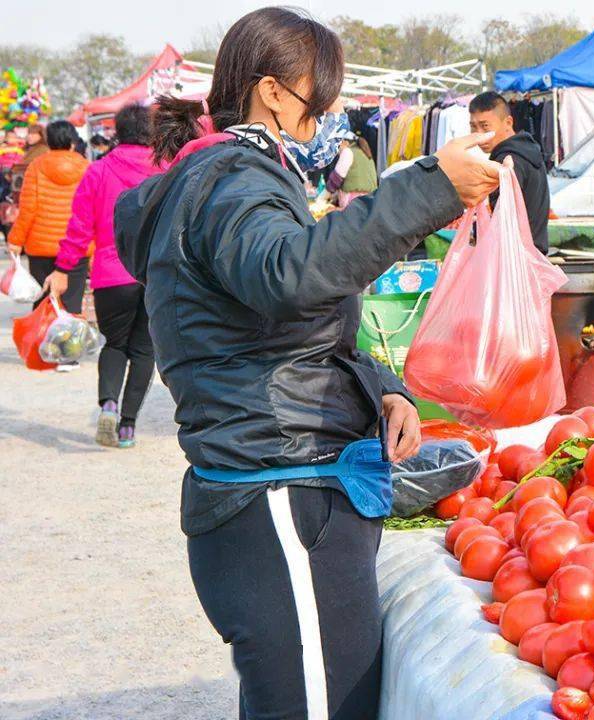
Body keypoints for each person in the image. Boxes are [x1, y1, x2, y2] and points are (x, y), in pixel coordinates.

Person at [113, 8, 500, 719]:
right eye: (319, 98)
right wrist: (429, 188)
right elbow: (289, 275)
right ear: (271, 91)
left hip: (283, 485)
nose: (327, 114)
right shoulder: (236, 180)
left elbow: (284, 326)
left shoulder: (238, 175)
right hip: (278, 497)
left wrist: (380, 388)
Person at [45, 104, 160, 448]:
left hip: (111, 276)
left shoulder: (97, 171)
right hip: (154, 275)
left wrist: (64, 267)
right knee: (144, 351)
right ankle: (127, 426)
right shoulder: (166, 170)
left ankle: (108, 404)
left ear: (117, 132)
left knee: (115, 344)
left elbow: (79, 229)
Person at [7, 120, 90, 327]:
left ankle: (42, 353)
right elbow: (91, 211)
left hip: (41, 246)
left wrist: (16, 239)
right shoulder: (86, 167)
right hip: (77, 247)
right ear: (72, 141)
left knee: (43, 301)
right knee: (71, 303)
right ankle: (68, 355)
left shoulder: (36, 166)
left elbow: (28, 209)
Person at [469, 91, 550, 253]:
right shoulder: (526, 151)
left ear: (508, 122)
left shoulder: (508, 160)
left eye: (485, 126)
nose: (479, 134)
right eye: (473, 126)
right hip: (531, 254)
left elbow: (503, 217)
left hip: (516, 258)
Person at [325, 134, 378, 206]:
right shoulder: (365, 153)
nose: (337, 151)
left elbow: (337, 177)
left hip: (353, 201)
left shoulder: (347, 152)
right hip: (370, 199)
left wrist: (328, 191)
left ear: (345, 142)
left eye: (338, 146)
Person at [10, 122, 46, 202]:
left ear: (41, 135)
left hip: (32, 187)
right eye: (29, 133)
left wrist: (14, 168)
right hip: (19, 185)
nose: (29, 136)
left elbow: (30, 165)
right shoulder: (26, 148)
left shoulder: (43, 149)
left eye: (33, 134)